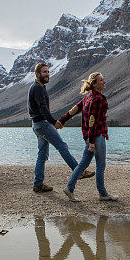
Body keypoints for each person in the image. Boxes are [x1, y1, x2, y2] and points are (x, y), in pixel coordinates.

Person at [28, 62, 92, 192]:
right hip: (43, 124)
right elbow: (42, 108)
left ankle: (38, 184)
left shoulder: (37, 87)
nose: (47, 74)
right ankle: (78, 171)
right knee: (62, 146)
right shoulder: (38, 88)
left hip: (37, 125)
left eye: (48, 72)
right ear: (37, 74)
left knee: (42, 155)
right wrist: (53, 122)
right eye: (44, 72)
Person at [59, 72, 118, 201]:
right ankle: (102, 194)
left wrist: (62, 120)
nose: (104, 82)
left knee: (83, 163)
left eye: (103, 79)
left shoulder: (87, 97)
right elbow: (93, 121)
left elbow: (74, 110)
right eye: (101, 80)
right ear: (95, 84)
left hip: (89, 136)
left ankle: (69, 188)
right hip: (96, 135)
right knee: (100, 165)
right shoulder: (98, 99)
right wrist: (92, 142)